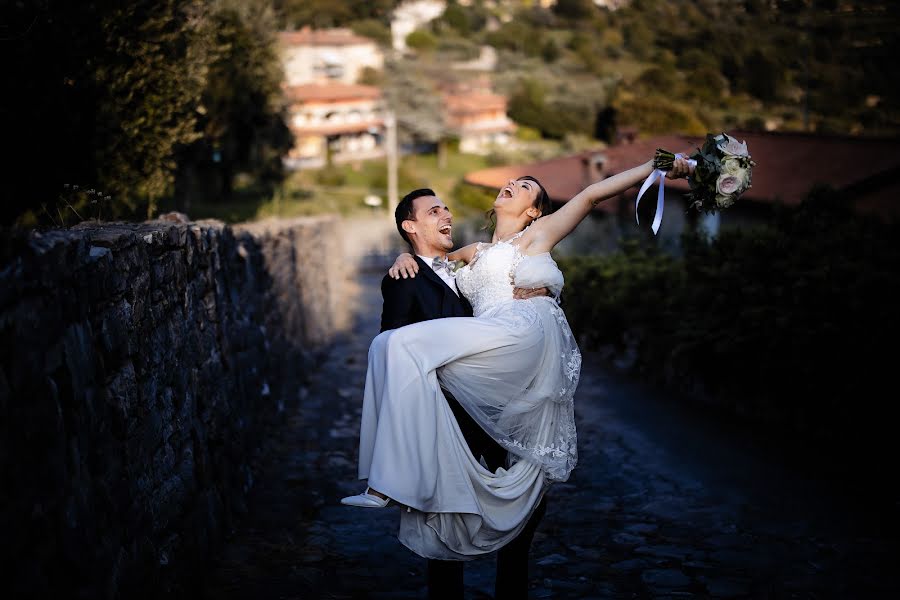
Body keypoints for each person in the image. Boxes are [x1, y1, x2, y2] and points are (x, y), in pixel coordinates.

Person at [342, 156, 693, 562]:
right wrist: (402, 259)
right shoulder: (476, 251)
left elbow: (594, 194)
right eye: (512, 179)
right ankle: (387, 482)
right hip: (490, 343)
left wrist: (659, 166)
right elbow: (434, 265)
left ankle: (386, 484)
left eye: (525, 186)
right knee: (387, 345)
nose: (511, 182)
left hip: (519, 331)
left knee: (398, 344)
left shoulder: (538, 234)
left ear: (533, 210)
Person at [372, 187, 549, 599]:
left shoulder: (469, 268)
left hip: (497, 413)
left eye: (446, 208)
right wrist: (404, 259)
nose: (446, 214)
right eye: (434, 211)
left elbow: (499, 304)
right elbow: (392, 346)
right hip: (447, 420)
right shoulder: (404, 278)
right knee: (447, 521)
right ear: (410, 226)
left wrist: (542, 292)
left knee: (528, 509)